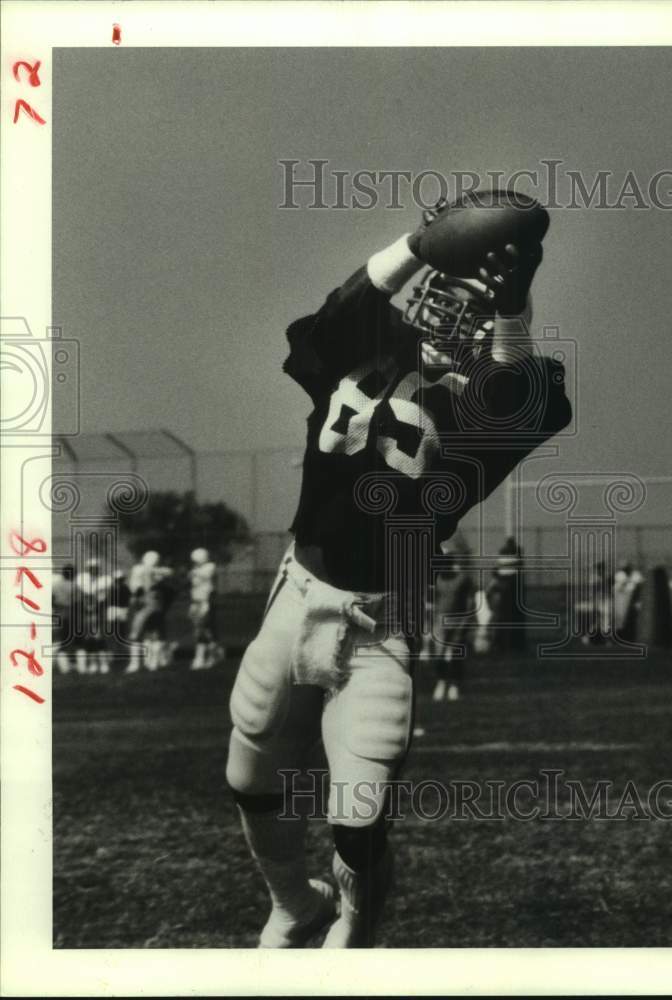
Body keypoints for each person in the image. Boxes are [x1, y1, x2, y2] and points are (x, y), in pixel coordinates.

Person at [224, 190, 571, 949]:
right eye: (449, 289)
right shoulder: (354, 353)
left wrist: (514, 306)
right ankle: (293, 903)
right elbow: (332, 316)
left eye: (481, 304)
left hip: (378, 626)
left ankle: (358, 931)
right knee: (251, 780)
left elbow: (517, 397)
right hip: (296, 599)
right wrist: (419, 243)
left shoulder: (485, 409)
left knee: (360, 817)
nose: (456, 311)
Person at [430, 534, 476, 702]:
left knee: (456, 654)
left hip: (458, 620)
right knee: (439, 656)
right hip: (441, 620)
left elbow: (470, 603)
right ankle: (441, 682)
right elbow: (431, 602)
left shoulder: (463, 579)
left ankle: (455, 684)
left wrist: (466, 621)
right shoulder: (437, 580)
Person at [127, 550, 175, 673]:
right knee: (154, 633)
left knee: (136, 634)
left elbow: (136, 590)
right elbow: (168, 575)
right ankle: (153, 662)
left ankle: (135, 663)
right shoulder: (162, 572)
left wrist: (135, 598)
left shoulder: (139, 570)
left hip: (145, 605)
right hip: (157, 605)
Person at [74, 557, 111, 674]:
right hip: (86, 611)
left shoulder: (103, 580)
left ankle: (104, 664)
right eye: (91, 568)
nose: (93, 570)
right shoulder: (83, 579)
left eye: (95, 568)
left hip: (99, 610)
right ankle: (93, 663)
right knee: (89, 638)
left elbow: (98, 594)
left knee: (99, 637)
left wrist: (92, 595)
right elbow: (86, 592)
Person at [189, 547, 222, 670]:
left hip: (206, 602)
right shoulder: (198, 569)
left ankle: (202, 657)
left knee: (203, 629)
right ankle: (212, 654)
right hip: (197, 601)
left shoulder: (210, 567)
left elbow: (206, 577)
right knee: (203, 630)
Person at [52, 564, 76, 674]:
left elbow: (51, 599)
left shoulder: (56, 585)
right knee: (66, 641)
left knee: (57, 639)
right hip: (69, 614)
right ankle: (64, 666)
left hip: (57, 612)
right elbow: (77, 602)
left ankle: (56, 664)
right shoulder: (74, 586)